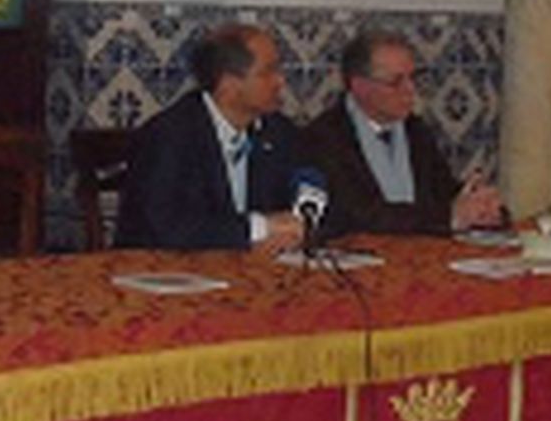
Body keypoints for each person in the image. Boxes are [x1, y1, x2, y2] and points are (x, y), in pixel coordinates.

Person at [115, 24, 304, 251]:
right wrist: (259, 228)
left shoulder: (279, 133)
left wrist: (295, 228)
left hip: (250, 271)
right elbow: (170, 229)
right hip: (163, 274)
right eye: (267, 72)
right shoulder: (168, 137)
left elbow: (303, 200)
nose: (280, 82)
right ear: (228, 85)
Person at [300, 30, 503, 237]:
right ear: (359, 86)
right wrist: (450, 216)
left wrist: (479, 204)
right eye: (395, 82)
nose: (410, 89)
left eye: (413, 78)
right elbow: (361, 215)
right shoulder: (325, 138)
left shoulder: (416, 130)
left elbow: (442, 192)